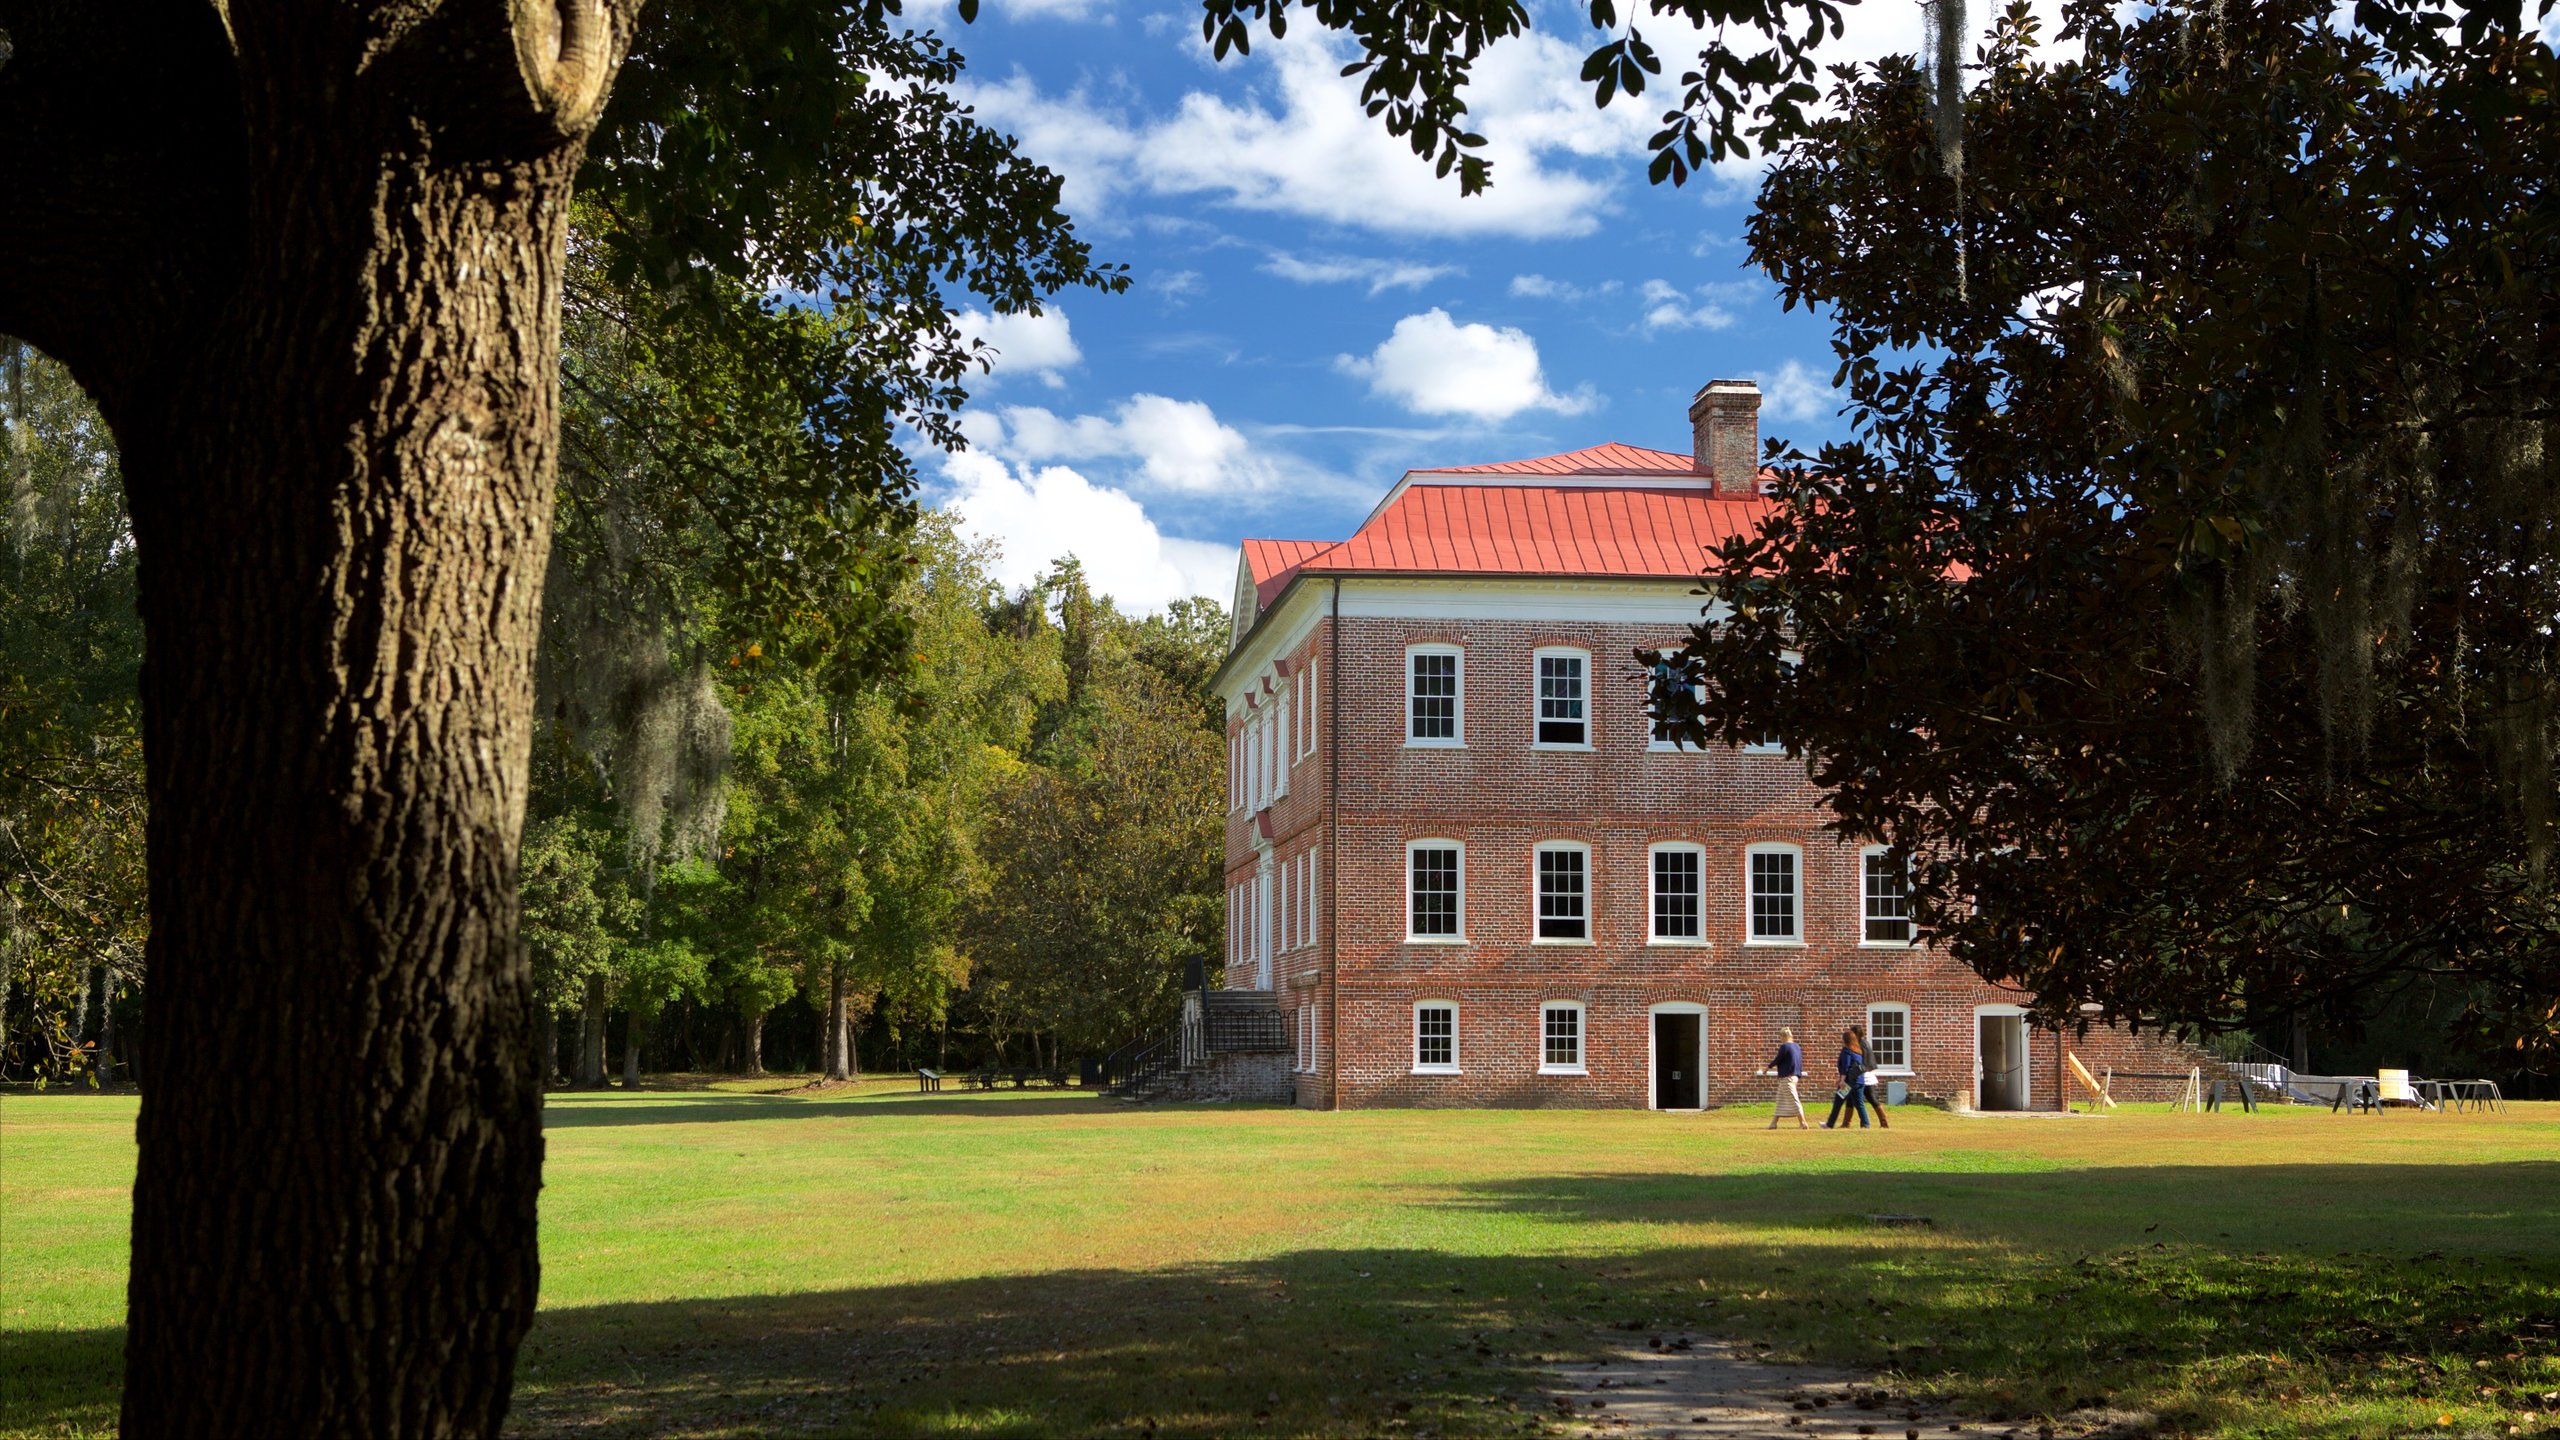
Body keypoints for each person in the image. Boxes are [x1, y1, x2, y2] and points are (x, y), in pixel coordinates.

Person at [1823, 1027, 1871, 1129]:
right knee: (1859, 1104)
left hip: (1848, 1083)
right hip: (1859, 1081)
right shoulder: (1858, 1052)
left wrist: (1842, 1080)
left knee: (1838, 1102)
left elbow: (1846, 1066)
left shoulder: (1846, 1051)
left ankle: (1830, 1124)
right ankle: (1866, 1124)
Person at [1764, 1027, 1809, 1130]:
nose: (1780, 1039)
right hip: (1795, 1075)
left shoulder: (1784, 1047)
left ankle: (1803, 1122)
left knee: (1794, 1099)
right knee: (1780, 1100)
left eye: (1780, 1036)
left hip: (1787, 1077)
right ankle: (1773, 1123)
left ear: (1784, 1036)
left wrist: (1768, 1067)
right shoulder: (1797, 1046)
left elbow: (1778, 1059)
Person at [1860, 1022, 1891, 1129]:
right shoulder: (1864, 1043)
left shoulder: (1862, 1044)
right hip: (1866, 1076)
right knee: (1850, 1099)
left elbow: (1864, 1061)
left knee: (1871, 1099)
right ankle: (1846, 1122)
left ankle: (1883, 1121)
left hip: (1864, 1077)